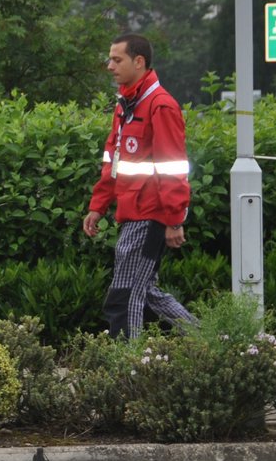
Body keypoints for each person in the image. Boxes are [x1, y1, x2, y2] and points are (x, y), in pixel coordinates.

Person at [82, 33, 196, 338]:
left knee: (124, 295)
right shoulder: (126, 106)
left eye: (117, 60)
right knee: (144, 291)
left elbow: (173, 169)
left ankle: (127, 367)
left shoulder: (160, 106)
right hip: (134, 214)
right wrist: (98, 206)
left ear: (139, 62)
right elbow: (114, 163)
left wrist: (174, 220)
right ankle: (209, 341)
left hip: (151, 217)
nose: (109, 66)